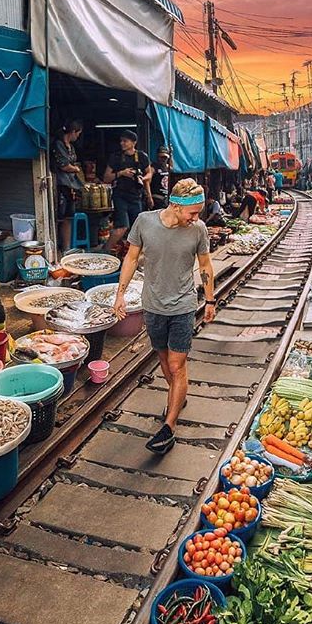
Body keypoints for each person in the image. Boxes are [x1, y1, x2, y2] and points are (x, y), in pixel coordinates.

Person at [113, 179, 216, 455]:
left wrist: (210, 299)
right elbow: (131, 259)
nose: (196, 218)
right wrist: (120, 294)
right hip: (153, 306)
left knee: (177, 363)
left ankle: (169, 426)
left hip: (183, 306)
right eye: (192, 213)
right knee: (163, 360)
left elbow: (205, 265)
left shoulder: (198, 230)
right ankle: (177, 395)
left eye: (198, 213)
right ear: (175, 205)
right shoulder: (144, 222)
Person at [103, 131, 153, 254]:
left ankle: (133, 258)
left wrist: (144, 183)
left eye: (125, 141)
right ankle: (104, 253)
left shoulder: (142, 156)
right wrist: (121, 173)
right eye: (121, 141)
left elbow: (149, 173)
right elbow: (106, 178)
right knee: (121, 228)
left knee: (138, 229)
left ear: (133, 142)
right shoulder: (116, 157)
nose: (122, 143)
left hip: (136, 197)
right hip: (120, 196)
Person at [51, 119, 83, 252]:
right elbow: (64, 166)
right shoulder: (59, 144)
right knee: (59, 217)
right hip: (61, 184)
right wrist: (75, 169)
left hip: (71, 185)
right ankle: (56, 248)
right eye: (78, 134)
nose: (78, 136)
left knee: (68, 217)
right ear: (73, 132)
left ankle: (66, 248)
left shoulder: (71, 146)